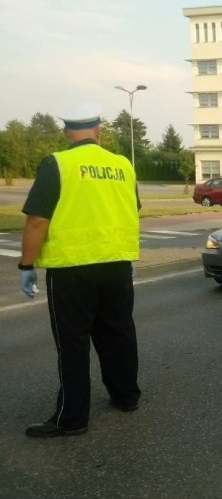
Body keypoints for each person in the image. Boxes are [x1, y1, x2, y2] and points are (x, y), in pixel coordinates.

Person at [19, 103, 142, 438]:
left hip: (72, 269)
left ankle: (72, 417)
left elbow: (37, 220)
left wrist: (26, 265)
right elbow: (133, 209)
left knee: (73, 342)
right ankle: (126, 396)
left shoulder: (58, 163)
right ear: (99, 131)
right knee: (118, 333)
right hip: (117, 264)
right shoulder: (122, 165)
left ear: (65, 133)